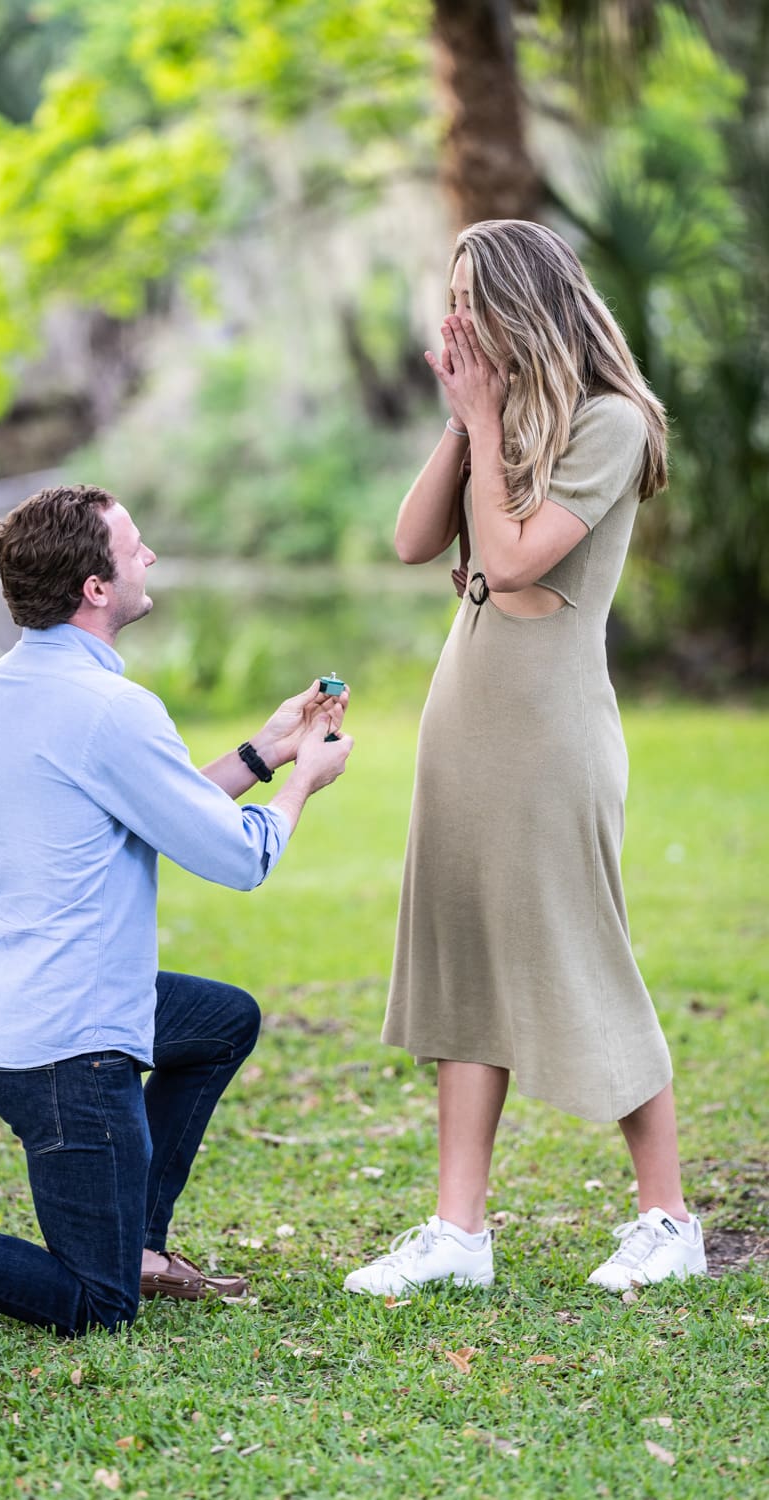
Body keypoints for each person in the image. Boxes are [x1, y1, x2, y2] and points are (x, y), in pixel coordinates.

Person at [0, 483, 353, 1349]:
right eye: (135, 546)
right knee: (96, 1303)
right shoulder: (107, 710)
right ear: (95, 587)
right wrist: (308, 778)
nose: (150, 556)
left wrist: (265, 753)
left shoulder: (3, 688)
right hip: (67, 1045)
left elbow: (152, 810)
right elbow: (240, 857)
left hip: (12, 1005)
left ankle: (139, 1244)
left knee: (222, 1020)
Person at [343, 220, 706, 1298]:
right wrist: (466, 427)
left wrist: (485, 413)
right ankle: (457, 1233)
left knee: (583, 952)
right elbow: (414, 542)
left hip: (549, 736)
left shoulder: (609, 424)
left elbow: (504, 566)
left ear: (519, 304)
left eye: (466, 295)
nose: (449, 320)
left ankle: (669, 1219)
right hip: (465, 730)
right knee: (462, 956)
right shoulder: (503, 429)